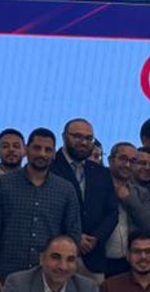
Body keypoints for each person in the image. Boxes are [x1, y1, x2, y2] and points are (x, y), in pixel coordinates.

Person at [0, 128, 82, 292]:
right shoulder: (2, 184)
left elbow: (73, 235)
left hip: (50, 278)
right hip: (6, 277)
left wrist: (65, 274)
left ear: (54, 154)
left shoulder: (65, 189)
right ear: (26, 150)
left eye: (48, 150)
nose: (42, 154)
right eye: (37, 148)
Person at [50, 118, 119, 277]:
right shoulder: (50, 168)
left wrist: (96, 239)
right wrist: (75, 237)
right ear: (64, 136)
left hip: (93, 258)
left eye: (89, 138)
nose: (83, 142)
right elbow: (45, 212)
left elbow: (112, 212)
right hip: (56, 256)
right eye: (77, 136)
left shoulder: (101, 172)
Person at [99, 143, 150, 277]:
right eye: (123, 159)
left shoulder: (141, 193)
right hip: (98, 259)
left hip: (128, 262)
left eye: (133, 161)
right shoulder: (96, 187)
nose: (127, 165)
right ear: (110, 160)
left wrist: (129, 199)